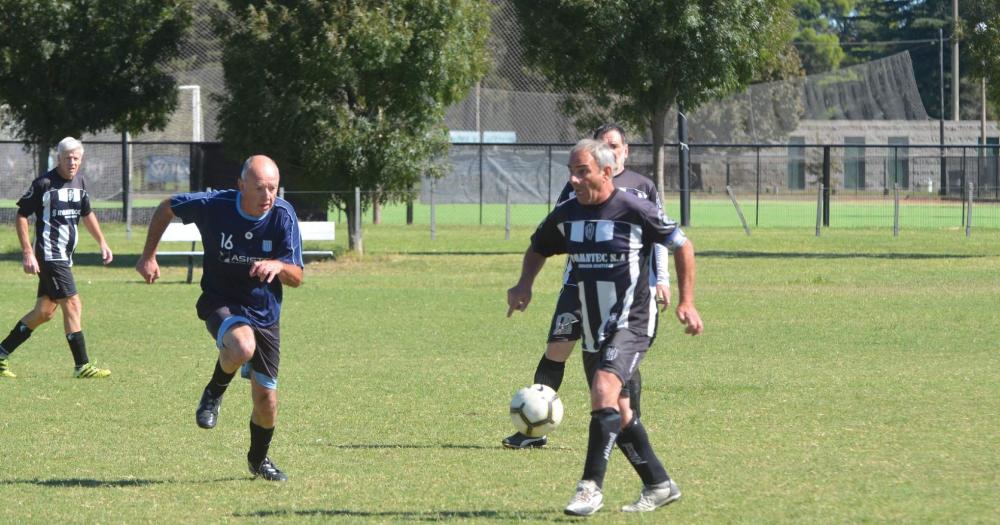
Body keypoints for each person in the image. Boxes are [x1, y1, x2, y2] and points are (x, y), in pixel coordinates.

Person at [507, 139, 703, 516]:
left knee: (603, 389)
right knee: (621, 412)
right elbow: (538, 247)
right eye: (572, 172)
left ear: (606, 171)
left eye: (582, 172)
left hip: (633, 320)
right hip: (594, 322)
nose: (574, 179)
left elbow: (682, 245)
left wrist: (686, 301)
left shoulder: (634, 210)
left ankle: (589, 488)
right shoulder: (568, 214)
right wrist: (524, 284)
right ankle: (659, 483)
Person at [502, 123, 671, 449]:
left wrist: (661, 279)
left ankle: (629, 428)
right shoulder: (576, 187)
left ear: (626, 150)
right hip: (578, 287)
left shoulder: (641, 188)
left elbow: (662, 238)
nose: (609, 150)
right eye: (602, 144)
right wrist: (525, 283)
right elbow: (552, 234)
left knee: (620, 359)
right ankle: (532, 430)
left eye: (614, 145)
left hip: (625, 293)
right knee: (557, 348)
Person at [135, 155, 304, 482]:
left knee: (267, 403)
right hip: (221, 300)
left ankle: (258, 461)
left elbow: (297, 276)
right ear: (241, 186)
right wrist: (148, 255)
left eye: (273, 188)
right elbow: (166, 207)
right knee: (242, 346)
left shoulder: (283, 216)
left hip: (265, 312)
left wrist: (279, 266)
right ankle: (214, 391)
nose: (268, 195)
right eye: (259, 188)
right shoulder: (214, 205)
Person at [0, 137, 112, 379]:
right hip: (49, 255)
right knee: (72, 303)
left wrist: (102, 242)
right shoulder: (44, 183)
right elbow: (21, 216)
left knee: (44, 312)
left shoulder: (80, 182)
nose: (72, 162)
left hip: (64, 255)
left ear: (80, 159)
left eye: (76, 158)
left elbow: (87, 213)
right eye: (67, 158)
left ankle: (0, 354)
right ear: (58, 158)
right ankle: (82, 365)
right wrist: (28, 252)